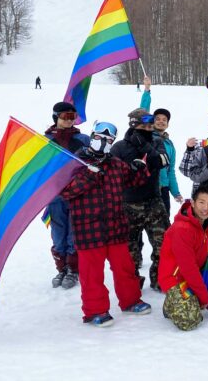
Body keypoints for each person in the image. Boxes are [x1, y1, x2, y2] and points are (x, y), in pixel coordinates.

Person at [61, 121, 152, 327]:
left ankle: (130, 301)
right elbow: (65, 191)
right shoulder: (76, 163)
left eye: (109, 140)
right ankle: (95, 311)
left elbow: (133, 181)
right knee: (92, 274)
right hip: (88, 230)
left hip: (116, 228)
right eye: (99, 138)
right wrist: (89, 175)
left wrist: (139, 170)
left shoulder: (116, 164)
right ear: (92, 137)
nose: (103, 143)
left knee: (125, 268)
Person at [110, 108, 171, 290]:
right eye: (143, 125)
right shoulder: (119, 147)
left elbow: (162, 161)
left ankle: (160, 278)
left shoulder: (157, 142)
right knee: (129, 250)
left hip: (153, 202)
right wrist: (130, 167)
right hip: (127, 205)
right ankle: (132, 281)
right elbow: (112, 174)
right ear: (133, 125)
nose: (147, 128)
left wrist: (144, 147)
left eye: (149, 125)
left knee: (164, 244)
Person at [158, 185, 208, 331]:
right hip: (174, 279)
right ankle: (173, 301)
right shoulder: (183, 229)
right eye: (202, 202)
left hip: (187, 279)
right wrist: (203, 297)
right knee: (189, 321)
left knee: (195, 308)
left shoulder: (204, 223)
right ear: (192, 203)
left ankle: (173, 304)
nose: (206, 208)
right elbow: (188, 267)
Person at [45, 102, 90, 289]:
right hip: (55, 195)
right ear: (56, 117)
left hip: (77, 193)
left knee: (74, 232)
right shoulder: (44, 140)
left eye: (72, 117)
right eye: (65, 117)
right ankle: (61, 268)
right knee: (58, 232)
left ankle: (73, 269)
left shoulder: (83, 139)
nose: (69, 120)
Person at [139, 75, 183, 213]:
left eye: (165, 120)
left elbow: (171, 171)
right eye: (157, 119)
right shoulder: (146, 136)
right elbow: (142, 112)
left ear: (168, 124)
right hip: (145, 186)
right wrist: (147, 90)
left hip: (163, 189)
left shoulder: (170, 145)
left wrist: (175, 192)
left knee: (163, 227)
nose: (161, 121)